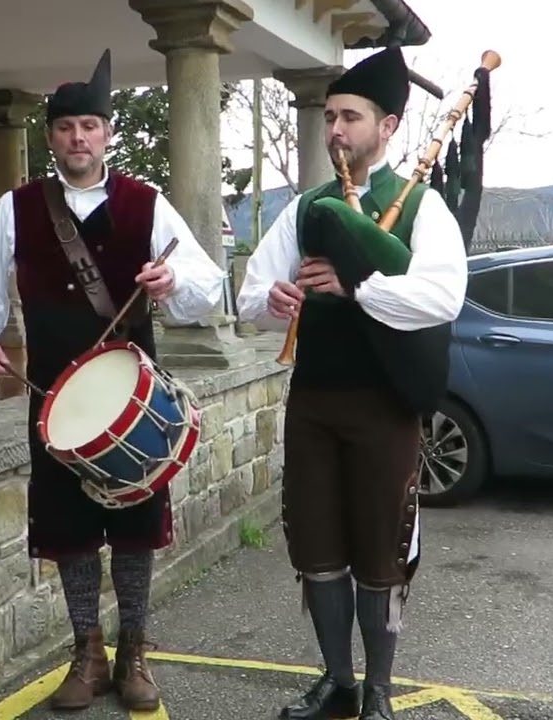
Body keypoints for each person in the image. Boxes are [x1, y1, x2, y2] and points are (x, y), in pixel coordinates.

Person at [0, 49, 224, 712]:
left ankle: (134, 653)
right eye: (67, 128)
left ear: (107, 134)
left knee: (132, 529)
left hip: (130, 402)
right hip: (53, 404)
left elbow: (207, 289)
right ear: (52, 137)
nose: (79, 138)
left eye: (90, 126)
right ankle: (87, 654)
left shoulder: (146, 204)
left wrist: (172, 279)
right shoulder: (15, 209)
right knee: (68, 529)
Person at [235, 47, 468, 720]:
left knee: (380, 548)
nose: (335, 130)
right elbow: (250, 292)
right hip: (313, 402)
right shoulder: (307, 208)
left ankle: (379, 692)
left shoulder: (421, 205)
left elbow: (440, 297)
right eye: (330, 116)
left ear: (387, 127)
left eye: (351, 118)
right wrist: (272, 302)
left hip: (384, 406)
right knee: (318, 545)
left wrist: (358, 286)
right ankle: (338, 681)